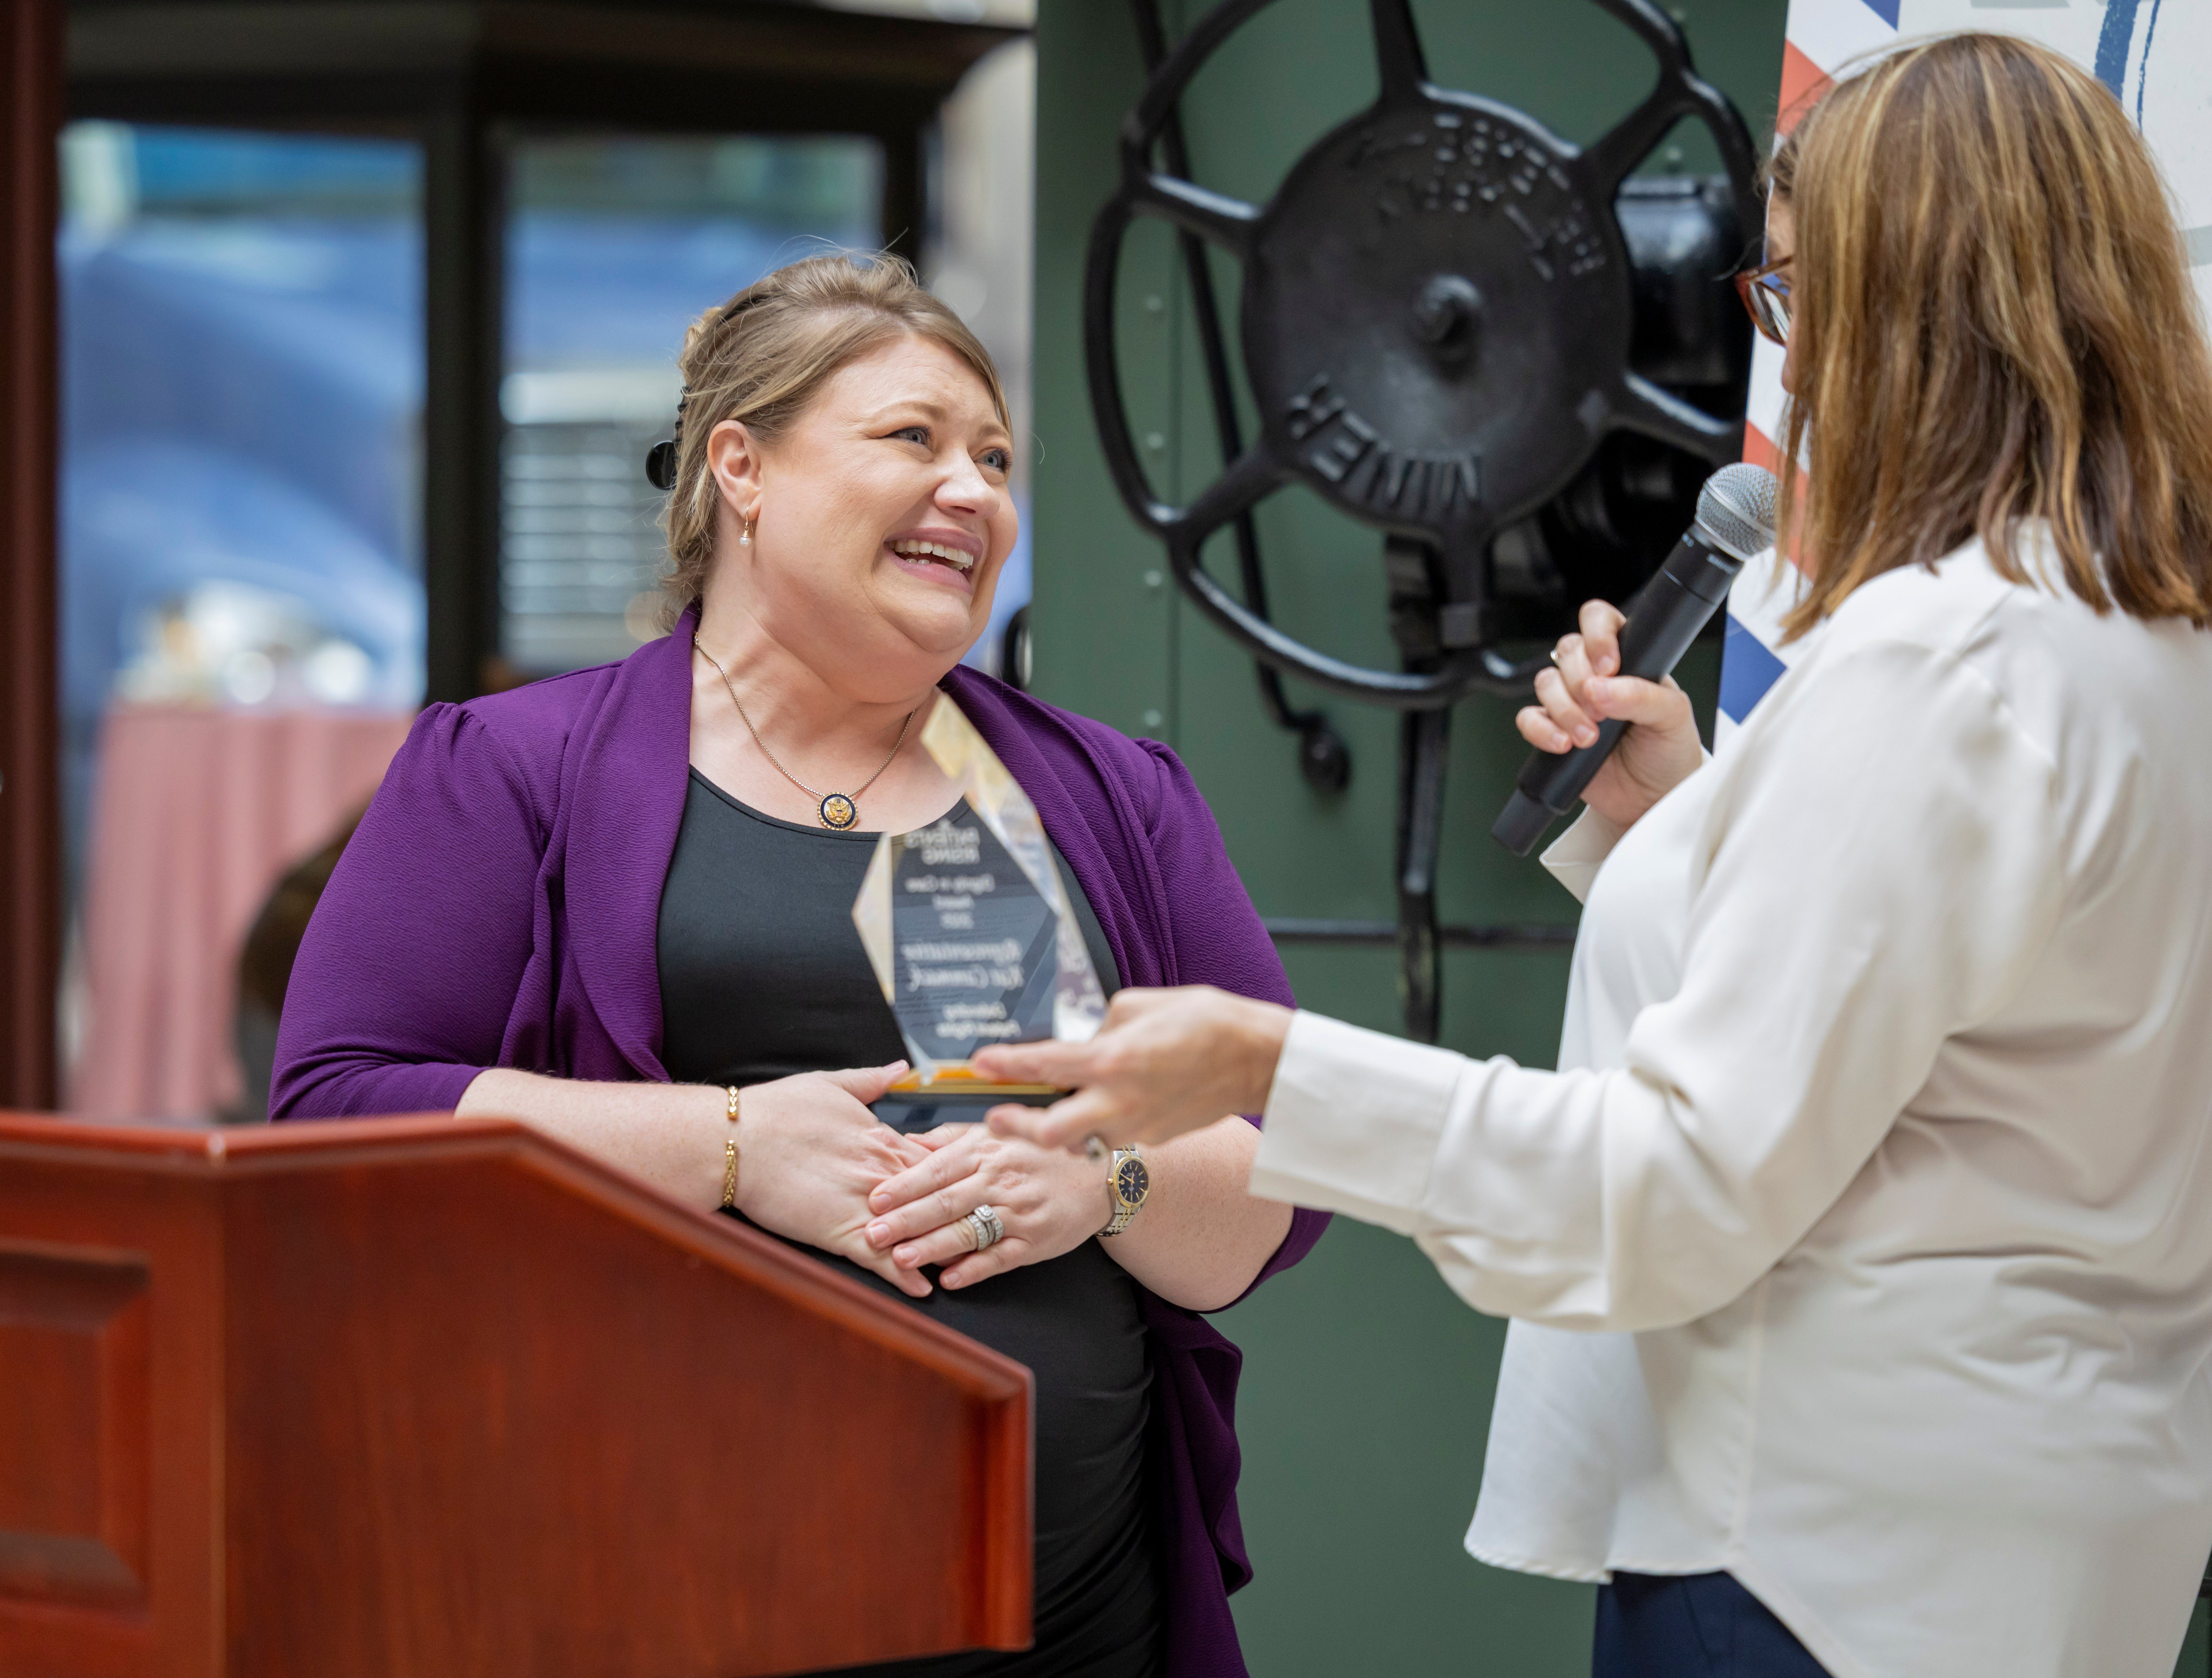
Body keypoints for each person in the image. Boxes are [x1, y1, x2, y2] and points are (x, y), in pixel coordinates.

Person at [979, 34, 2212, 1678]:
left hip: (1814, 1566)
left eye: (1787, 298)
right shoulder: (2142, 636)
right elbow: (1995, 1027)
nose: (1791, 366)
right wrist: (1684, 815)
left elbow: (1678, 1189)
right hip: (2054, 1547)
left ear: (1897, 301)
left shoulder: (1929, 664)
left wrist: (1267, 1065)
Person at [271, 252, 1328, 1678]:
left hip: (1078, 1622)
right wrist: (727, 1144)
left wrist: (1106, 1178)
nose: (974, 489)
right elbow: (335, 1120)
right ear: (742, 468)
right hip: (643, 1602)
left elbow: (1287, 1170)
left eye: (996, 458)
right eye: (913, 439)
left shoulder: (1109, 798)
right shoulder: (515, 772)